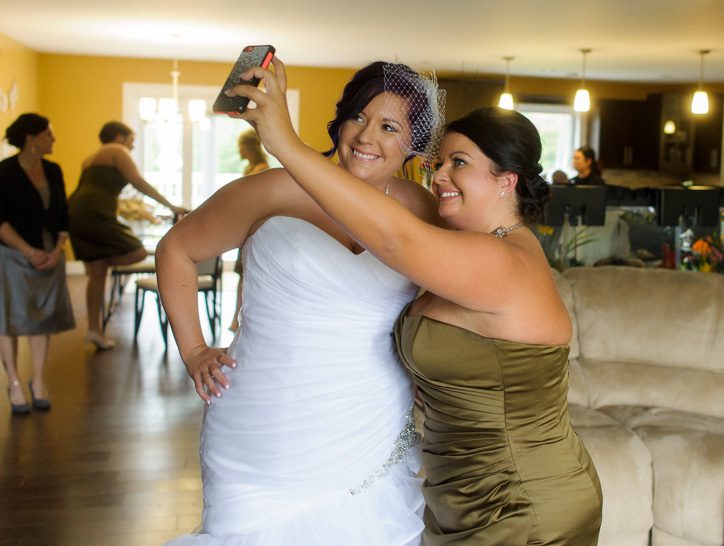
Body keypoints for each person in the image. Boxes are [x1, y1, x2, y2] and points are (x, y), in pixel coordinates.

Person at [232, 58, 603, 545]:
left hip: (523, 500)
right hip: (460, 496)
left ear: (505, 181)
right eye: (440, 161)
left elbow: (394, 240)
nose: (439, 176)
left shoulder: (503, 260)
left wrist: (285, 144)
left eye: (460, 163)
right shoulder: (461, 248)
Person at [157, 61, 445, 545]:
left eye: (389, 126)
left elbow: (445, 302)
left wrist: (428, 372)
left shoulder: (425, 212)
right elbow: (176, 250)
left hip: (368, 420)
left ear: (413, 143)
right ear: (339, 121)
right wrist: (193, 351)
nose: (366, 136)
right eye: (358, 116)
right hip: (260, 421)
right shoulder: (273, 189)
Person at [0, 113, 75, 415]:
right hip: (13, 256)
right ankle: (14, 382)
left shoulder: (53, 170)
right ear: (31, 139)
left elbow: (63, 214)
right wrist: (29, 252)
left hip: (50, 254)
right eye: (48, 134)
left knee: (40, 320)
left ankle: (38, 381)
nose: (53, 140)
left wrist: (57, 249)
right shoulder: (2, 173)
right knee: (11, 320)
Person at [67, 121, 189, 350]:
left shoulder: (90, 158)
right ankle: (95, 323)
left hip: (77, 212)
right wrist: (170, 205)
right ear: (120, 137)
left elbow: (91, 189)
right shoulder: (116, 151)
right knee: (138, 251)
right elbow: (138, 182)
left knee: (96, 274)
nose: (132, 147)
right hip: (95, 213)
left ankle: (93, 330)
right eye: (131, 141)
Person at [229, 129, 270, 332]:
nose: (239, 152)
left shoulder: (261, 169)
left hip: (252, 228)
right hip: (245, 225)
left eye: (241, 147)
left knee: (246, 275)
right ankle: (236, 317)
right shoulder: (251, 167)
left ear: (248, 147)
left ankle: (241, 318)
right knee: (242, 275)